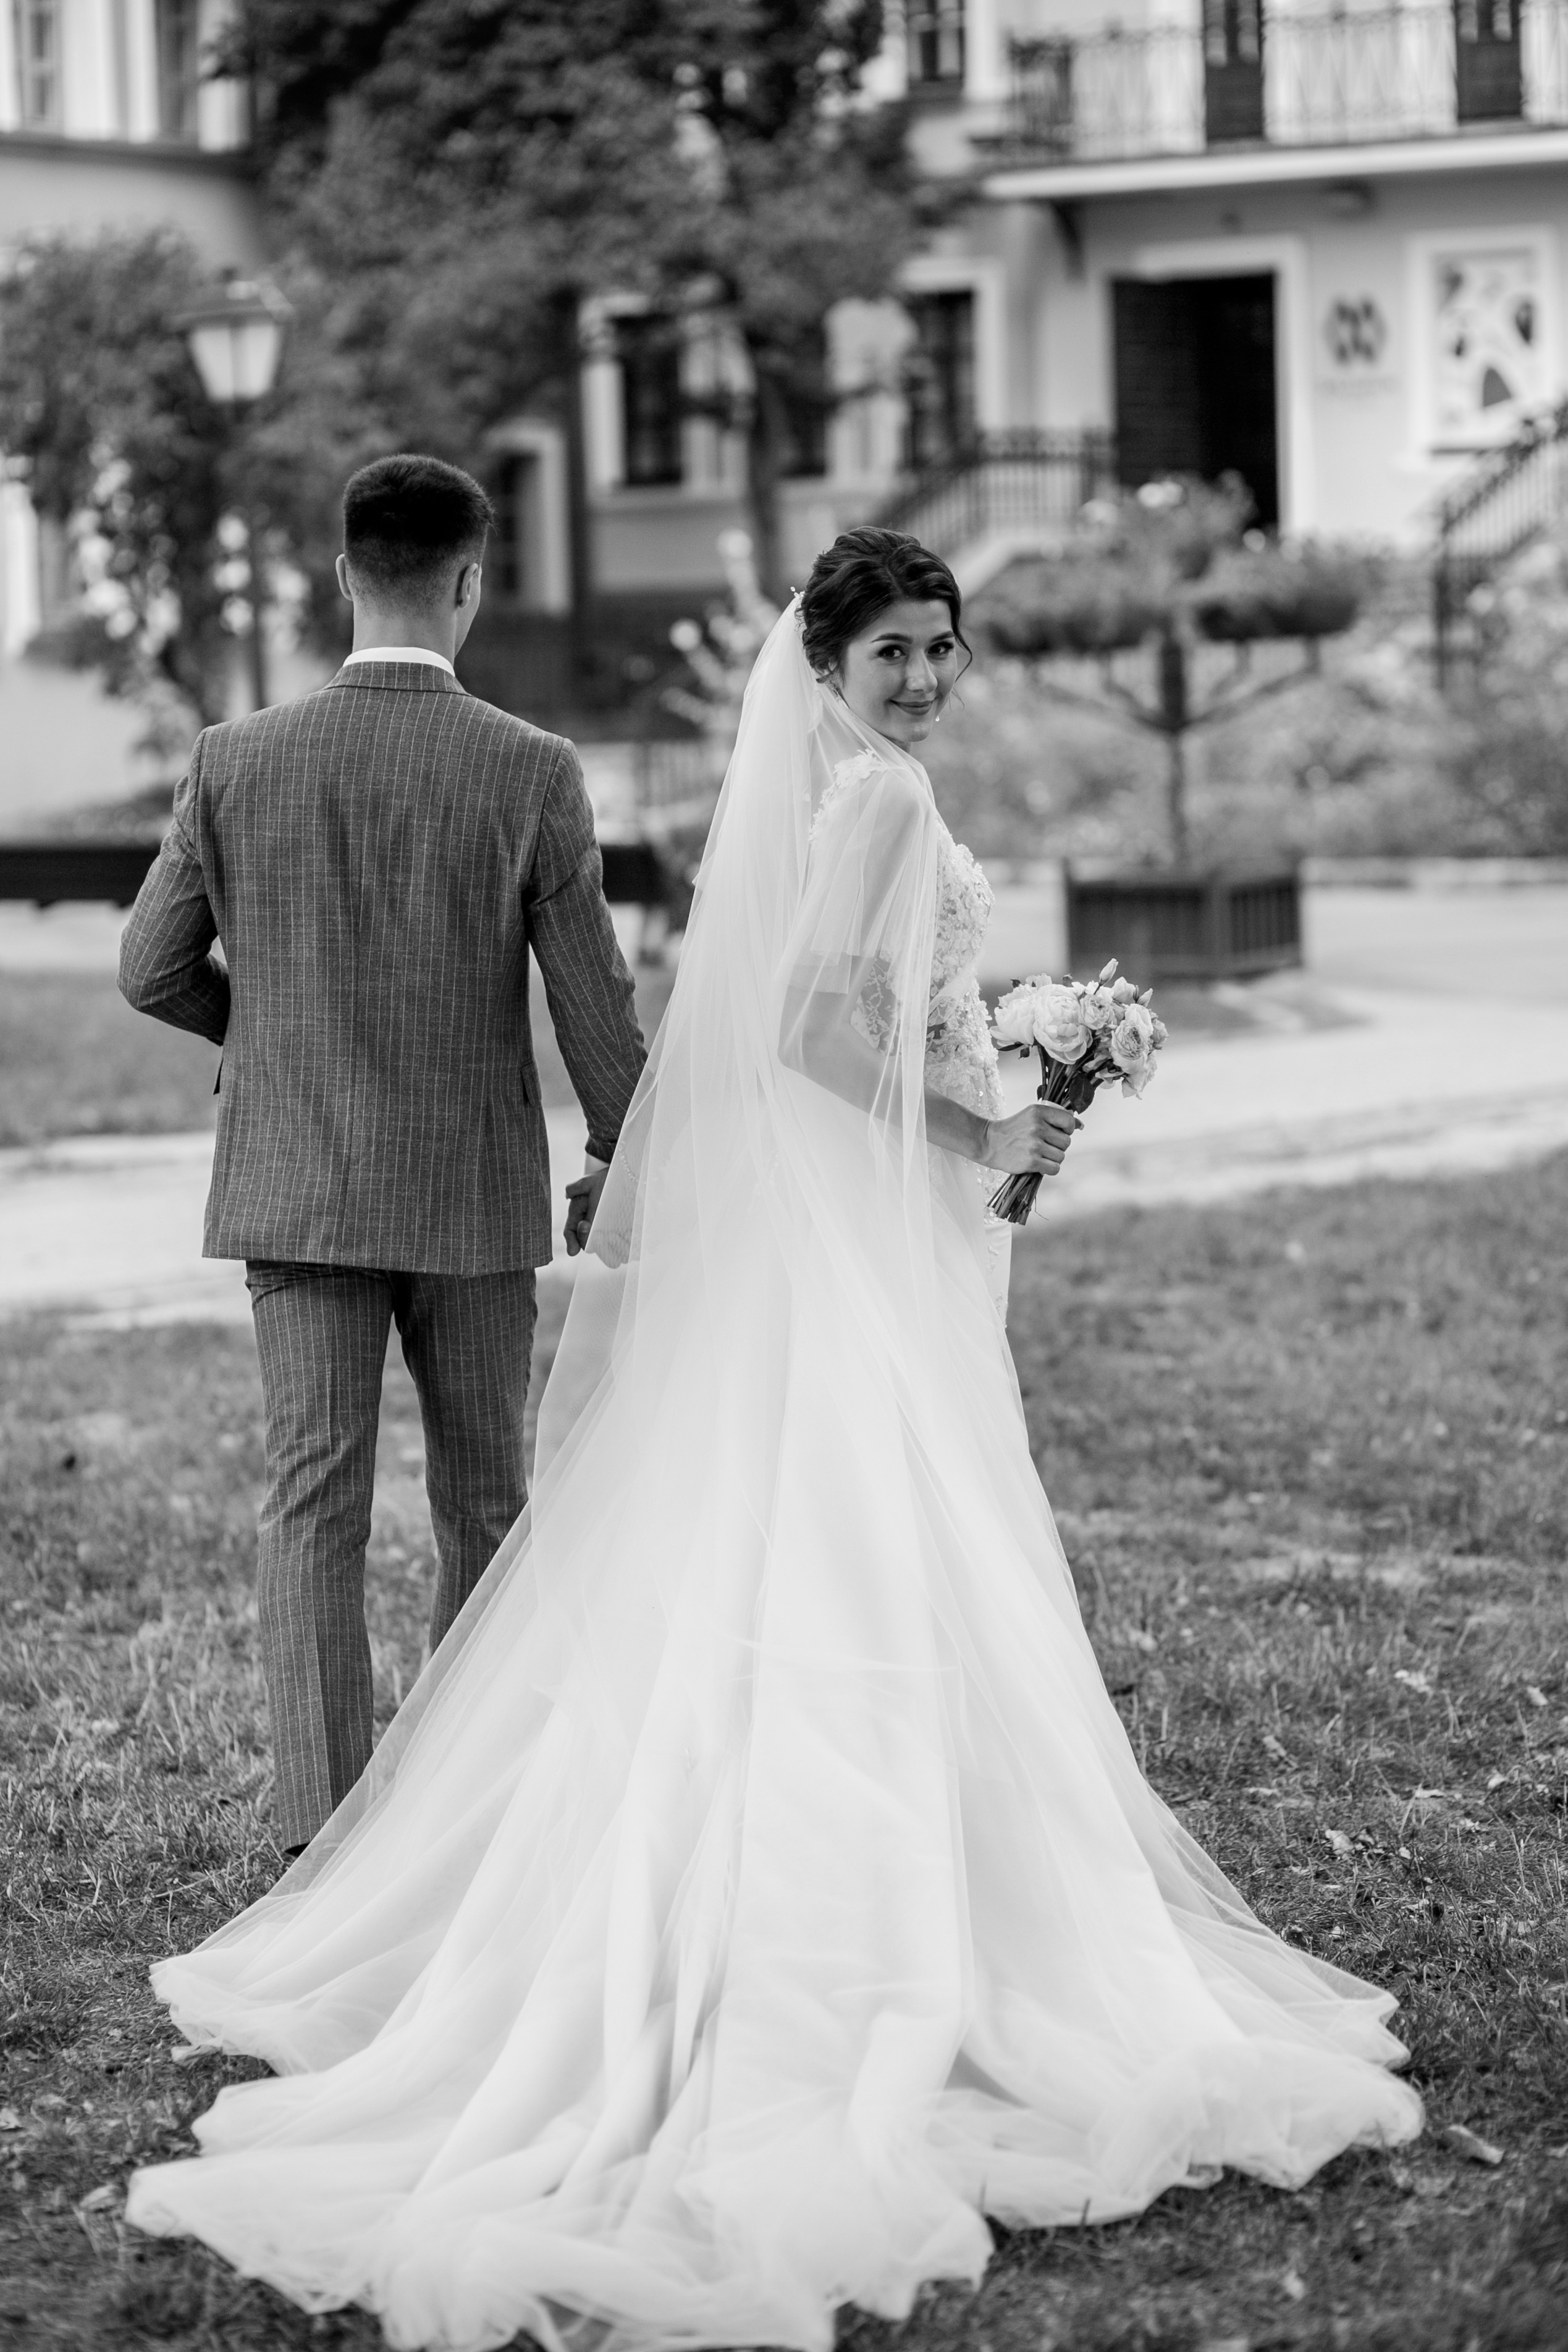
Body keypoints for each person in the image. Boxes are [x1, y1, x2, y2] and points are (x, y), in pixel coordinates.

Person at [125, 526, 1420, 2352]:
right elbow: (823, 1027)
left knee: (659, 1519)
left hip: (760, 1219)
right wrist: (991, 1129)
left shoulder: (839, 791)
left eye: (941, 650)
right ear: (825, 658)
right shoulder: (865, 803)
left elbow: (816, 1011)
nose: (922, 679)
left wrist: (1007, 1059)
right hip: (851, 1216)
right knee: (847, 1521)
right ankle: (869, 1922)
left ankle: (490, 1849)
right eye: (894, 650)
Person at [117, 453, 646, 1859]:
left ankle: (318, 1834)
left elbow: (147, 966)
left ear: (344, 575)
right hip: (472, 1202)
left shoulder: (237, 759)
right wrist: (631, 1160)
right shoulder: (533, 770)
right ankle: (470, 1819)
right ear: (470, 581)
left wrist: (266, 1032)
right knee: (484, 1495)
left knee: (313, 1504)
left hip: (295, 1187)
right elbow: (596, 1011)